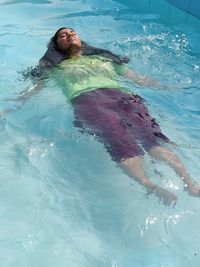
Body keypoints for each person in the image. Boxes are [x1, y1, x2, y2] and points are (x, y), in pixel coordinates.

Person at [7, 27, 200, 206]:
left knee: (153, 139)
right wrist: (11, 106)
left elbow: (139, 79)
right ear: (56, 46)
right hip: (89, 102)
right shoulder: (54, 67)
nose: (69, 35)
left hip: (125, 98)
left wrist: (171, 88)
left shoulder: (105, 59)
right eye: (62, 35)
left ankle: (189, 183)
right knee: (121, 145)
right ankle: (151, 186)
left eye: (72, 32)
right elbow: (33, 89)